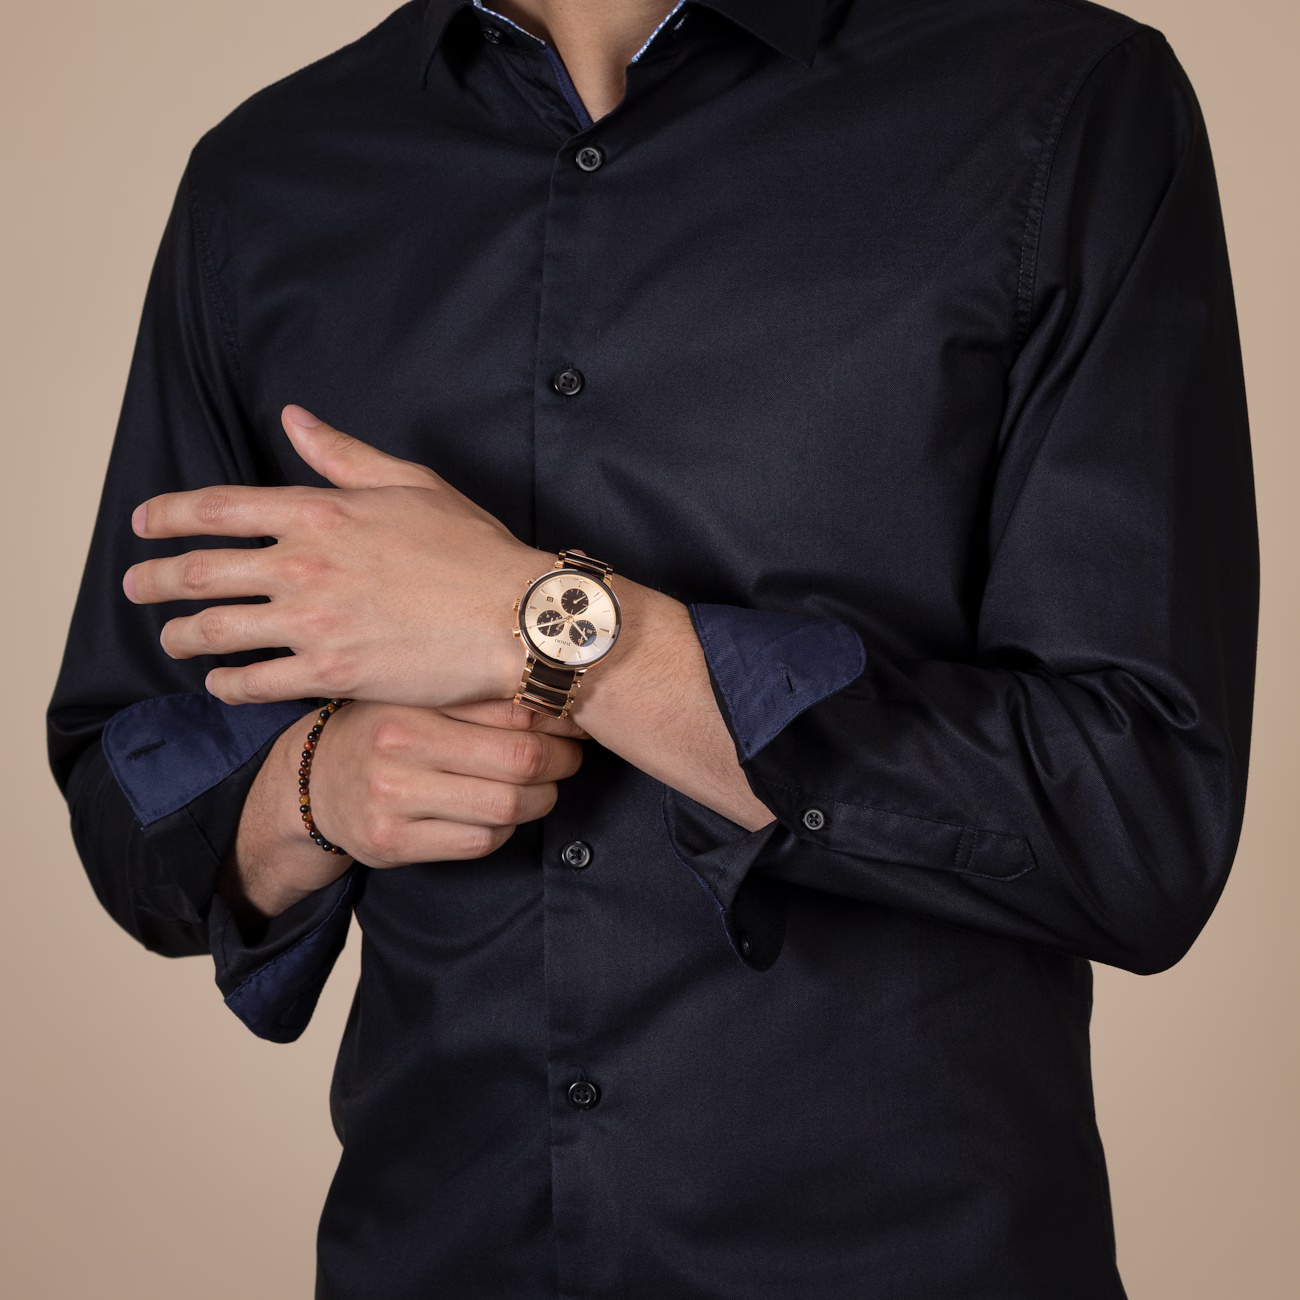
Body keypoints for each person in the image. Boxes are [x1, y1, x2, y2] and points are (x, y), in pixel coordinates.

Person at [46, 0, 1259, 1295]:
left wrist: (544, 626)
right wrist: (313, 789)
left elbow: (1137, 820)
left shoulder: (1061, 101)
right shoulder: (267, 173)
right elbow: (131, 795)